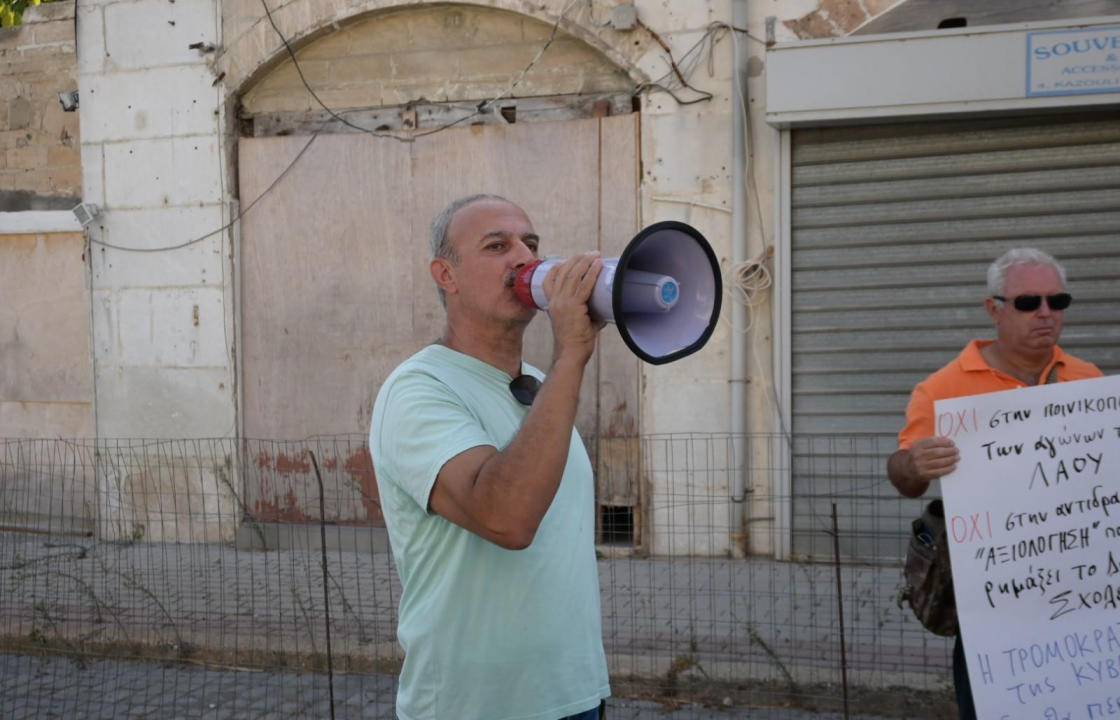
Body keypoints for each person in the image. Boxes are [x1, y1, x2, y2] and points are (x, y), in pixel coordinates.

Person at [369, 194, 611, 720]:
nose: (524, 257)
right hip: (475, 706)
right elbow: (506, 518)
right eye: (497, 246)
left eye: (531, 243)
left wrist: (565, 364)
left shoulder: (546, 388)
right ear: (446, 276)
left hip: (573, 695)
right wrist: (572, 352)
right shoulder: (418, 390)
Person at [887, 247, 1102, 720]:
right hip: (993, 599)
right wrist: (915, 463)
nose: (1045, 313)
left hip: (1082, 592)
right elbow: (904, 479)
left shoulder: (1088, 382)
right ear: (995, 309)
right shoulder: (943, 389)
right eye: (1028, 303)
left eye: (1057, 301)